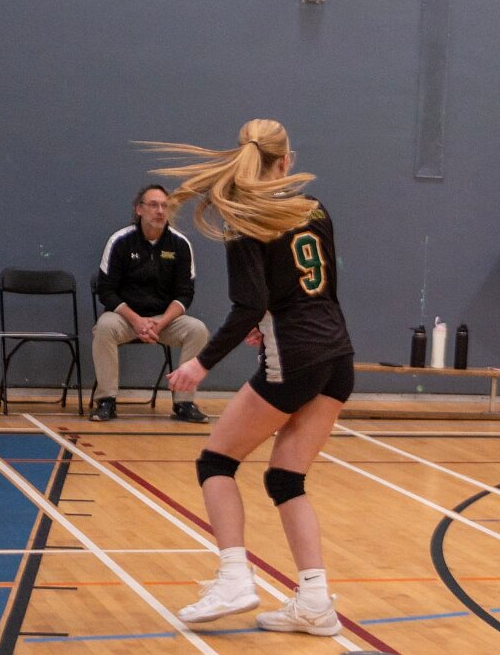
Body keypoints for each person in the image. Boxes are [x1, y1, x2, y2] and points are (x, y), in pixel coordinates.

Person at [148, 120, 354, 637]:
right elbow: (319, 289)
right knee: (286, 478)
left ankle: (234, 577)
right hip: (337, 353)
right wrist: (270, 322)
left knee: (216, 462)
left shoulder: (244, 216)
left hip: (296, 356)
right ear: (285, 160)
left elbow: (250, 303)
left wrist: (200, 363)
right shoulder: (314, 207)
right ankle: (314, 601)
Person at [91, 184, 210, 423]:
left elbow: (185, 294)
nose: (160, 211)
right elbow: (106, 291)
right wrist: (136, 321)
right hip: (125, 318)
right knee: (104, 327)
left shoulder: (180, 244)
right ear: (139, 209)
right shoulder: (120, 241)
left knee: (198, 330)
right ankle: (106, 401)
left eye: (165, 206)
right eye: (153, 205)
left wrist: (160, 323)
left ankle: (184, 403)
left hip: (163, 320)